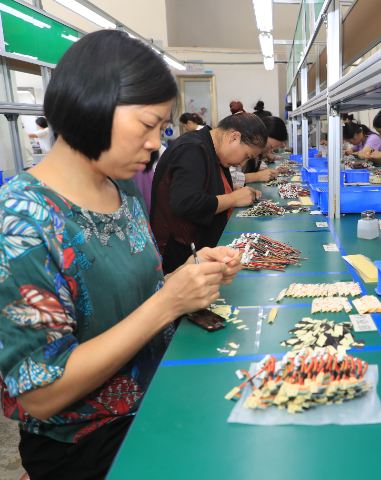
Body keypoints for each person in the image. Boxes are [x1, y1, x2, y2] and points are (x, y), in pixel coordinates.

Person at [0, 30, 242, 480]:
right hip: (90, 442)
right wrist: (167, 303)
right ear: (92, 105)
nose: (155, 142)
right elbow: (40, 394)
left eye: (161, 128)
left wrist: (185, 279)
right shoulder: (20, 220)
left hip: (156, 398)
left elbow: (132, 297)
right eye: (147, 124)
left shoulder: (122, 188)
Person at [151, 107, 266, 274]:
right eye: (247, 156)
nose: (242, 164)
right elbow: (186, 202)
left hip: (196, 249)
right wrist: (234, 198)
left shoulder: (211, 148)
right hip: (178, 258)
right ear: (234, 137)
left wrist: (228, 187)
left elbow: (202, 184)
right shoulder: (191, 149)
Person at [228, 101, 278, 185]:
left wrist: (260, 170)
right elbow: (228, 178)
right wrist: (257, 176)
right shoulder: (232, 148)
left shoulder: (247, 146)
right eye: (271, 146)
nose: (242, 163)